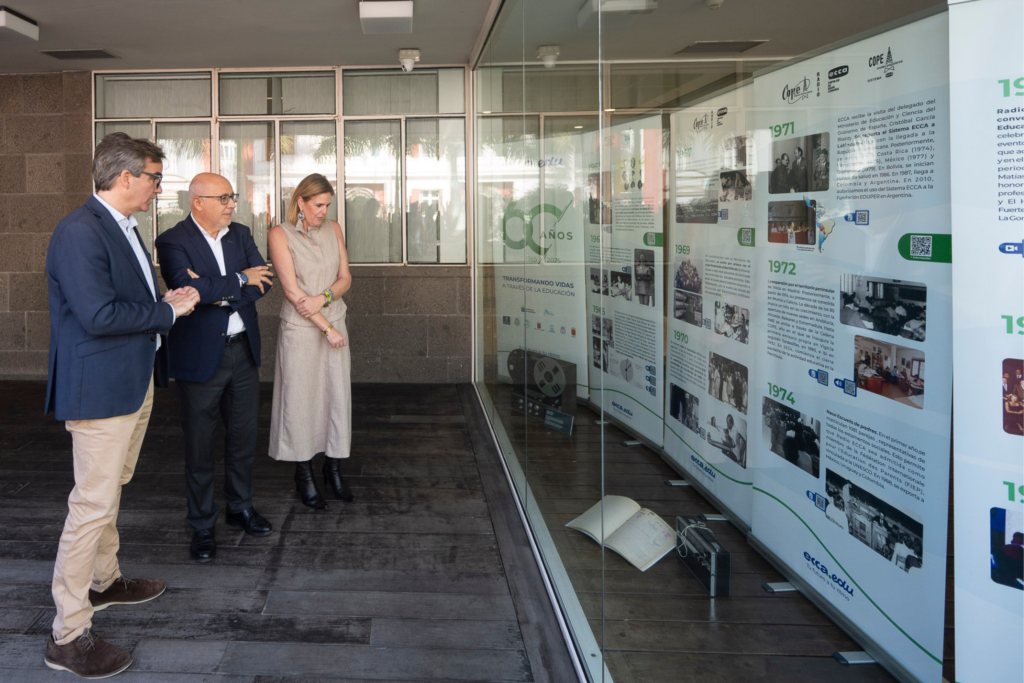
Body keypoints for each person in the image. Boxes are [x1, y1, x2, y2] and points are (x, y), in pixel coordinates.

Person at [43, 133, 200, 678]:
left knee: (111, 489)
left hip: (131, 381)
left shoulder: (121, 226)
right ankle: (67, 634)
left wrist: (165, 302)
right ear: (125, 177)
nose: (159, 189)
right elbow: (98, 317)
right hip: (101, 389)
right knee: (90, 504)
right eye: (155, 178)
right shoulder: (79, 231)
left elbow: (126, 303)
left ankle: (104, 582)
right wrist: (167, 315)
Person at [155, 173, 275, 562]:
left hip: (243, 352)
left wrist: (213, 290)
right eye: (223, 198)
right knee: (199, 445)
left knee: (242, 438)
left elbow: (265, 282)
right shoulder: (173, 241)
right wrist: (238, 279)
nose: (231, 204)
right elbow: (183, 291)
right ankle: (202, 525)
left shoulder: (240, 234)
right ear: (198, 202)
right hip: (200, 358)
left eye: (231, 196)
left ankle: (240, 508)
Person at [268, 173, 355, 509]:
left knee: (336, 397)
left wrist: (325, 297)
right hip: (302, 330)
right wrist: (325, 327)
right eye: (318, 205)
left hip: (333, 320)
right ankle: (303, 474)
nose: (324, 211)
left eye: (327, 205)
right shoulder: (279, 234)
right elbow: (292, 293)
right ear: (300, 202)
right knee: (300, 401)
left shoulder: (334, 230)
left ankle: (333, 469)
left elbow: (345, 278)